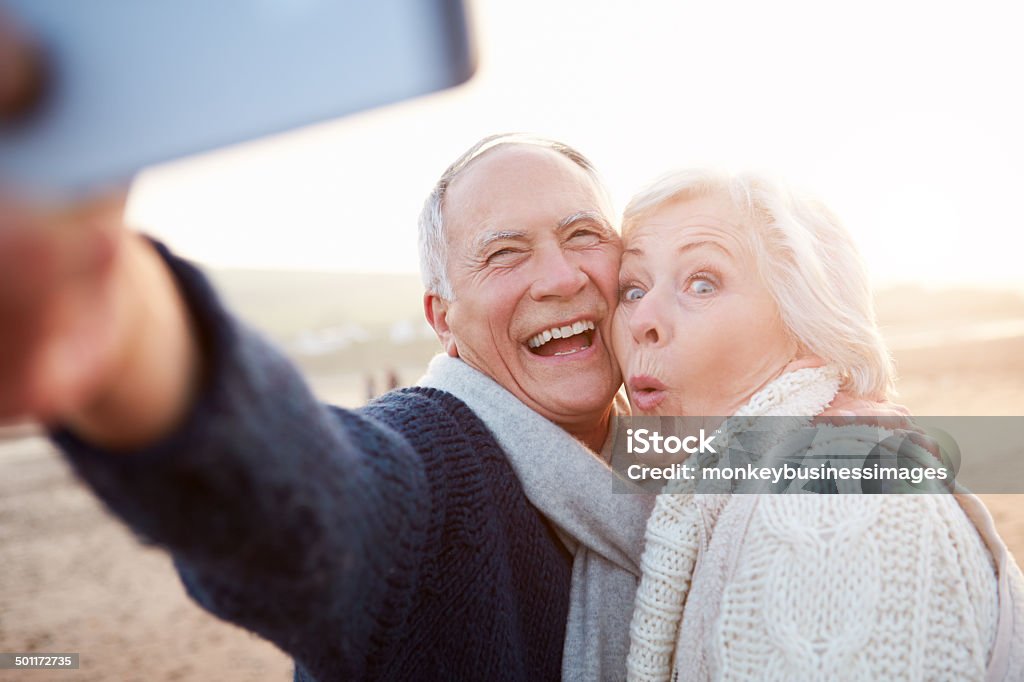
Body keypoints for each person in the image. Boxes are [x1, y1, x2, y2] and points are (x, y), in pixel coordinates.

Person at [0, 132, 900, 680]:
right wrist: (118, 329)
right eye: (505, 254)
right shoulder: (433, 470)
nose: (559, 276)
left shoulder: (661, 461)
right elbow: (299, 494)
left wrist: (860, 428)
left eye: (584, 236)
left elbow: (949, 456)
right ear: (445, 319)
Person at [612, 169, 1024, 681]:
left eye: (702, 283)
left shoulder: (833, 506)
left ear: (807, 323)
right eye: (631, 289)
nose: (640, 319)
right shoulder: (720, 488)